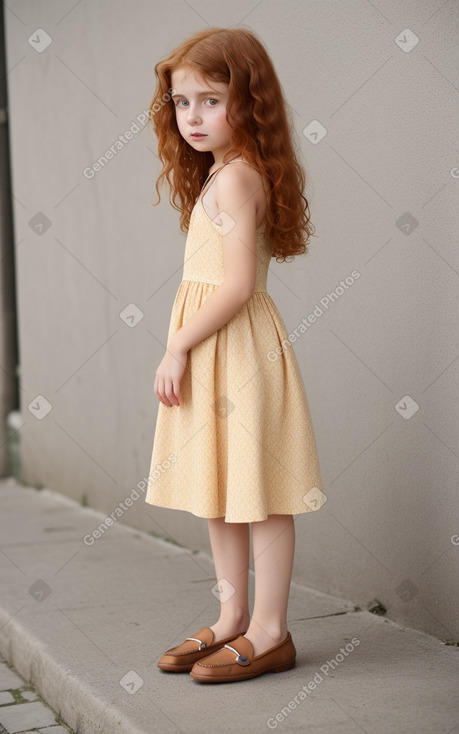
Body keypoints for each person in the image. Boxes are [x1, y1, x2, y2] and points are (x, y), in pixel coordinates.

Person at [144, 26, 327, 683]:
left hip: (232, 351)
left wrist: (178, 346)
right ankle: (231, 618)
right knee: (219, 487)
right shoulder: (222, 172)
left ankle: (270, 629)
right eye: (181, 101)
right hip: (216, 351)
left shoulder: (236, 180)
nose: (192, 117)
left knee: (261, 489)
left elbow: (237, 286)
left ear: (248, 100)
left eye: (210, 100)